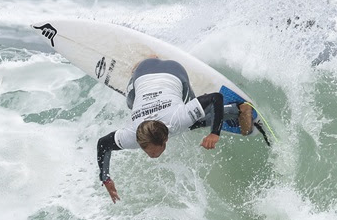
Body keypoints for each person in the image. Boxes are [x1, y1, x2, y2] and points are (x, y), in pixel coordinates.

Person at [96, 57, 252, 202]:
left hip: (174, 71)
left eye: (154, 152)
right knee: (131, 102)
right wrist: (105, 178)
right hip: (143, 69)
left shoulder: (178, 119)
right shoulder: (132, 135)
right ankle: (138, 67)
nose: (152, 156)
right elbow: (102, 144)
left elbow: (216, 97)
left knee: (194, 120)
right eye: (149, 152)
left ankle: (239, 110)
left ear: (166, 138)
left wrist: (214, 133)